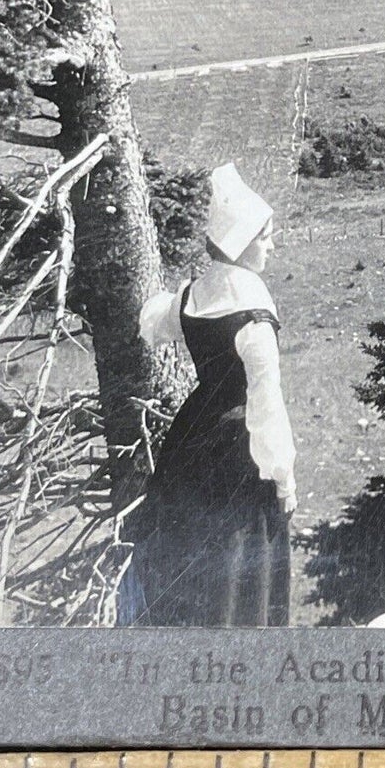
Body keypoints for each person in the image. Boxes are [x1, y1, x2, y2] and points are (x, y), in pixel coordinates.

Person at [118, 163, 296, 626]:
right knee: (241, 567)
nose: (271, 246)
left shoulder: (196, 293)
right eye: (265, 237)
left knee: (194, 560)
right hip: (239, 450)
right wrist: (284, 481)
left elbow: (153, 325)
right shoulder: (255, 306)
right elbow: (265, 403)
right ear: (241, 242)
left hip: (190, 440)